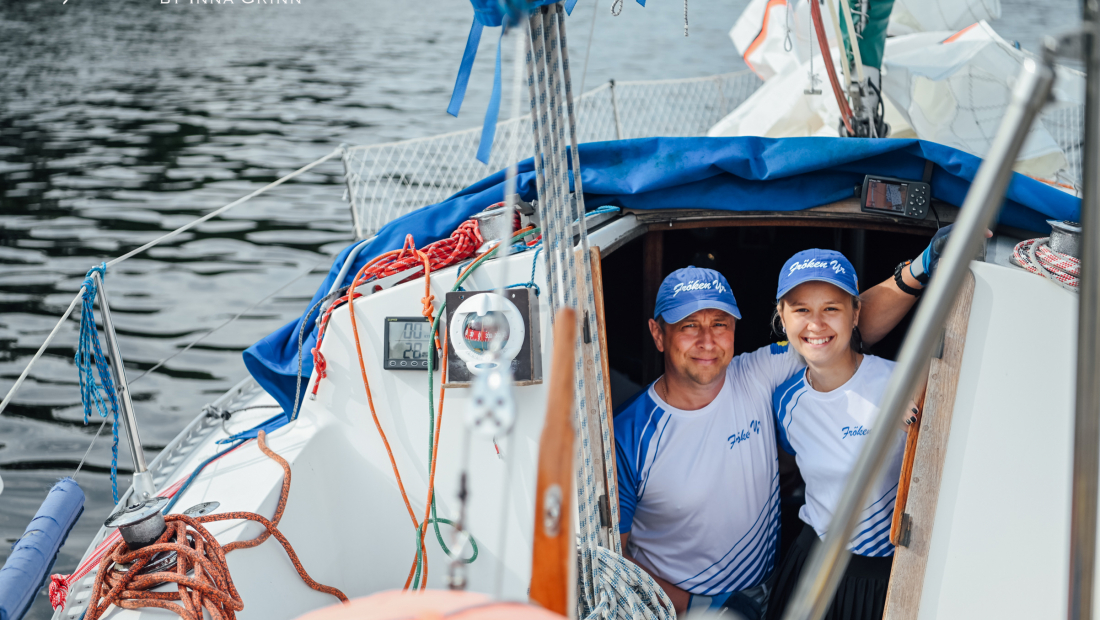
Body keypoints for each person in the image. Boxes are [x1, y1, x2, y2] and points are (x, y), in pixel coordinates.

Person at [613, 228, 950, 618]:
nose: (707, 340)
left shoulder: (759, 374)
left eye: (719, 323)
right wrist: (698, 608)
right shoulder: (628, 435)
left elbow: (835, 335)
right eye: (689, 326)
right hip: (683, 608)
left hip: (772, 587)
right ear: (658, 334)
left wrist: (922, 267)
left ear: (735, 329)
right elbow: (610, 557)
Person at [765, 249, 908, 620]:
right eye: (801, 309)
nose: (816, 324)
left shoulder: (902, 383)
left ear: (856, 314)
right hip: (811, 568)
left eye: (831, 308)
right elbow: (787, 468)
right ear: (782, 316)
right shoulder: (784, 400)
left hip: (887, 577)